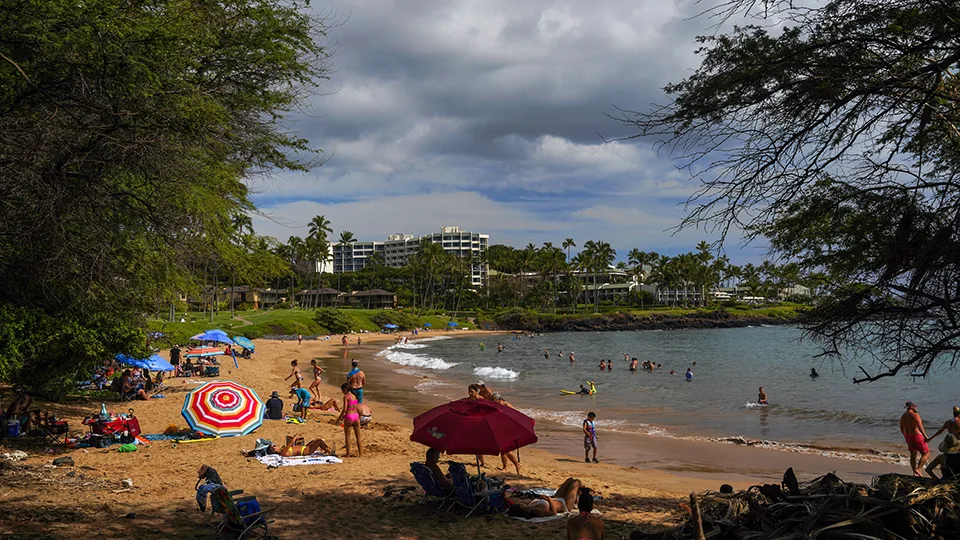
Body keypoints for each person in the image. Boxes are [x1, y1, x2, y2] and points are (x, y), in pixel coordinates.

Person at [507, 478, 584, 518]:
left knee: (570, 480)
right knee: (577, 482)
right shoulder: (536, 511)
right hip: (564, 504)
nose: (520, 503)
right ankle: (581, 498)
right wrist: (549, 500)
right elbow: (553, 513)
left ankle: (576, 499)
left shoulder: (529, 505)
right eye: (519, 505)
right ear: (521, 509)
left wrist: (543, 497)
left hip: (556, 498)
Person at [491, 393, 522, 474]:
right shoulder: (496, 407)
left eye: (495, 400)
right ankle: (505, 466)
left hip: (509, 429)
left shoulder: (506, 405)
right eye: (493, 400)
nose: (494, 401)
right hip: (500, 429)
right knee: (502, 450)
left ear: (499, 399)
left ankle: (517, 464)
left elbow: (515, 415)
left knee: (507, 450)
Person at [900, 401, 930, 476]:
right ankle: (919, 469)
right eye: (915, 406)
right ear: (911, 407)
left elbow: (901, 427)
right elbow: (920, 426)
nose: (916, 407)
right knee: (926, 454)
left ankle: (915, 473)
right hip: (917, 436)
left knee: (913, 456)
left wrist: (905, 436)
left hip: (908, 437)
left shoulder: (903, 416)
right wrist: (925, 436)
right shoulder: (915, 415)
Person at [335, 384, 363, 457]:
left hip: (349, 416)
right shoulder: (354, 396)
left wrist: (339, 418)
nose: (342, 392)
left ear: (345, 389)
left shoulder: (346, 397)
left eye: (342, 390)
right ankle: (361, 453)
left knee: (347, 436)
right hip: (356, 416)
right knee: (358, 436)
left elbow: (345, 409)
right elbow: (355, 407)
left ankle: (348, 454)